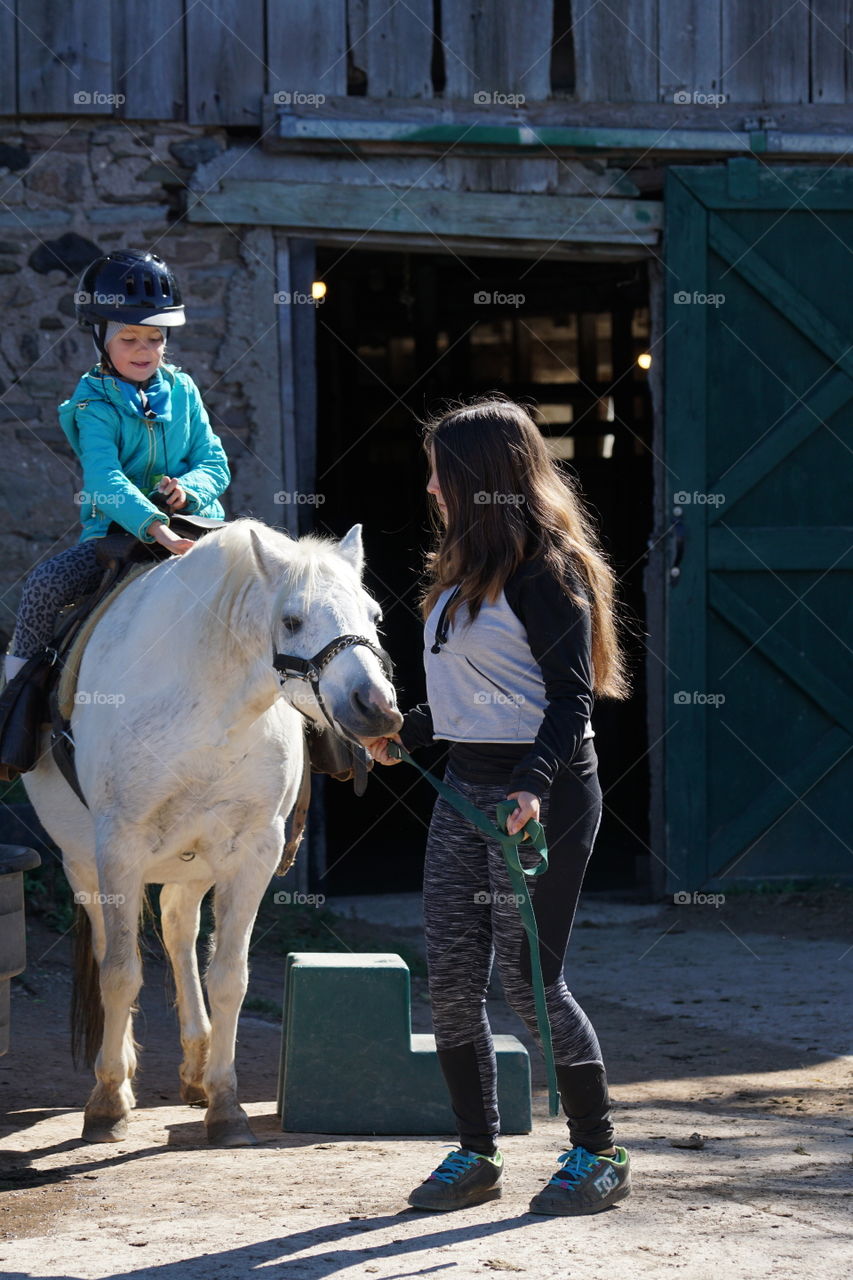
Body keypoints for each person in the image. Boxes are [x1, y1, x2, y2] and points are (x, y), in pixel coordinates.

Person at [366, 396, 632, 1216]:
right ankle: (475, 1153)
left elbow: (569, 698)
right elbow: (473, 695)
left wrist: (531, 786)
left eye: (440, 472)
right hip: (468, 790)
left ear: (480, 477)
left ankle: (599, 1150)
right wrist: (405, 731)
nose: (430, 488)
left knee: (528, 982)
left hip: (540, 797)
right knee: (448, 977)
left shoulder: (546, 571)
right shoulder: (461, 570)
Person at [3, 249, 230, 687]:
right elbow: (105, 479)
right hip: (117, 539)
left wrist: (189, 490)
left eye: (155, 338)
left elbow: (214, 460)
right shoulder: (92, 405)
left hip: (198, 528)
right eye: (129, 339)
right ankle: (13, 715)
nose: (144, 350)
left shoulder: (184, 390)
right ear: (102, 338)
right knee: (42, 588)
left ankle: (335, 747)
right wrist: (156, 527)